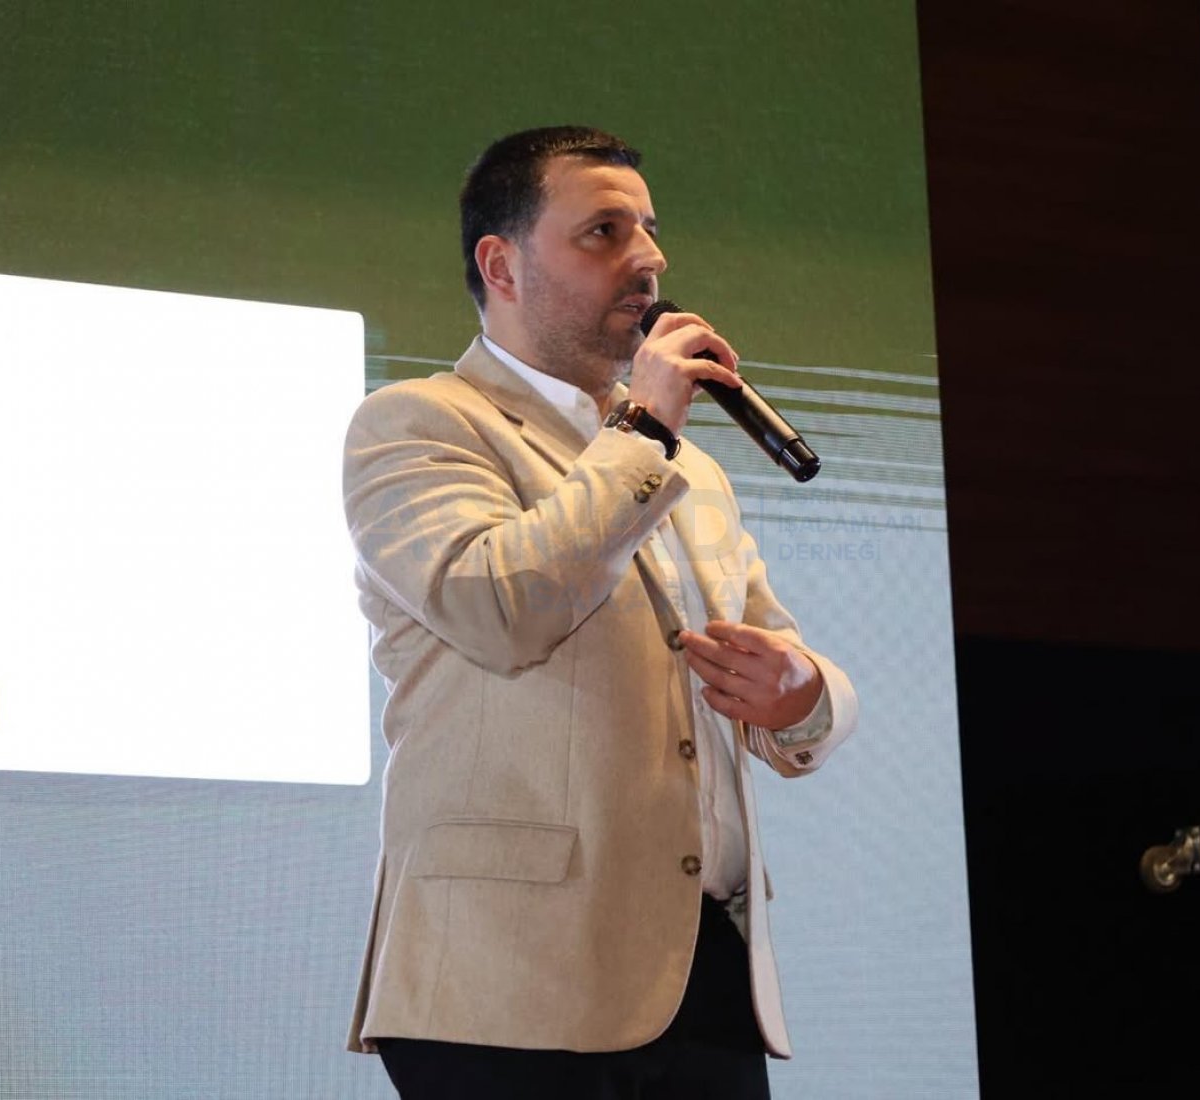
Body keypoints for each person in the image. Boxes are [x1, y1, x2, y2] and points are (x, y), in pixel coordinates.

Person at [342, 125, 858, 1099]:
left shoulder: (686, 468)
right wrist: (645, 428)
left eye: (651, 230)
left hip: (703, 972)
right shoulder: (419, 423)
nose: (649, 258)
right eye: (605, 231)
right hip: (507, 979)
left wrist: (802, 694)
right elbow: (499, 605)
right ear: (501, 264)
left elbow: (776, 648)